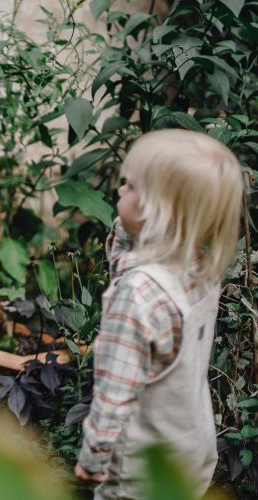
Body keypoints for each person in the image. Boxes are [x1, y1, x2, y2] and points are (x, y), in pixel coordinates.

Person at [74, 129, 244, 498]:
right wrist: (132, 220)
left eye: (131, 186)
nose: (120, 191)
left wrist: (93, 459)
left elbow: (114, 394)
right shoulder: (199, 266)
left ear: (159, 211)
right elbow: (125, 259)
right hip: (189, 451)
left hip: (140, 472)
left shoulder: (137, 295)